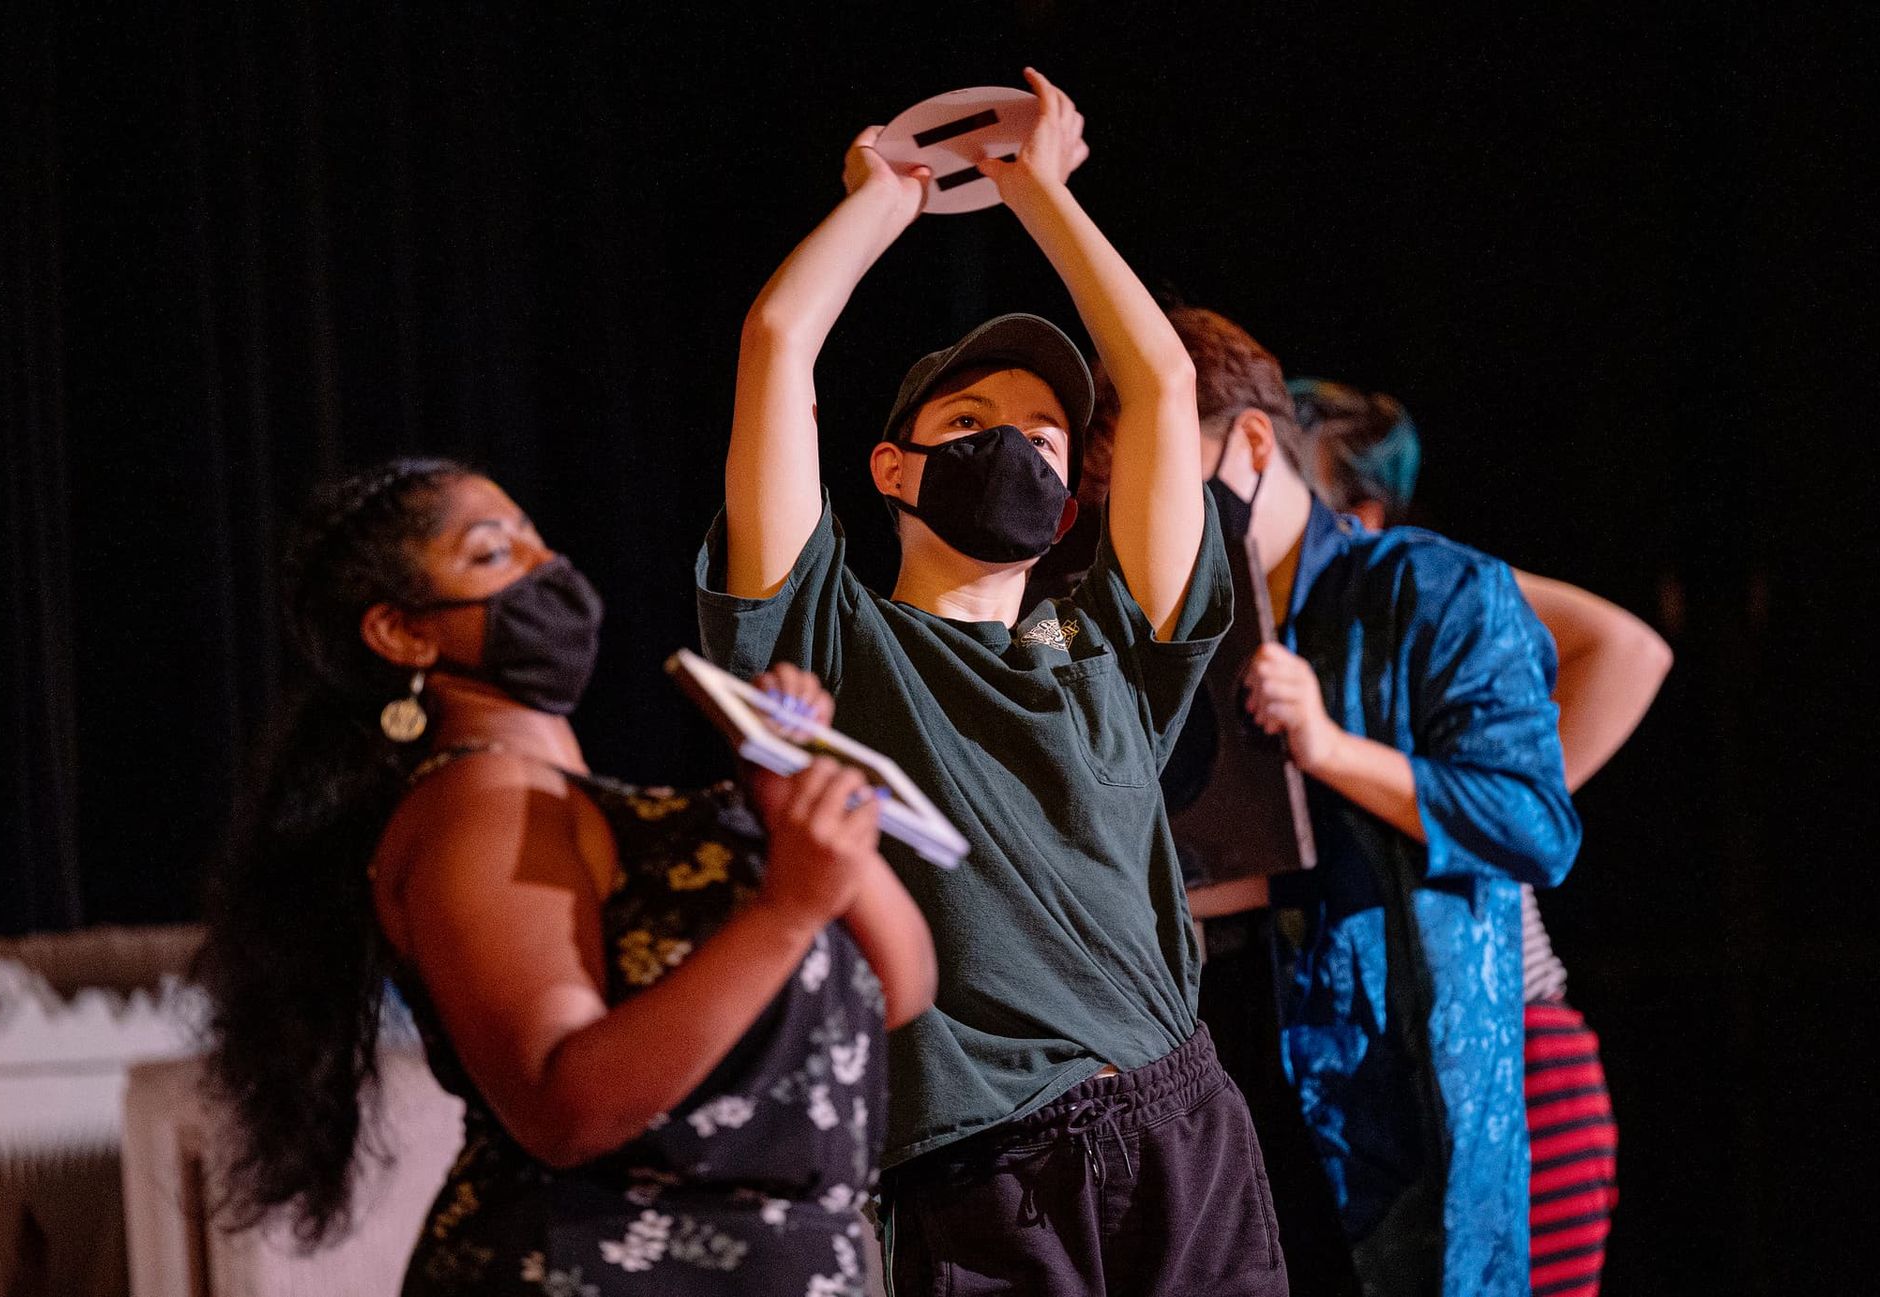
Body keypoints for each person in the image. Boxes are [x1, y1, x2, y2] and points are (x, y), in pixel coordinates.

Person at [698, 73, 1287, 1295]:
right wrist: (887, 197)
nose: (1013, 446)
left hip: (1184, 1124)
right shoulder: (835, 640)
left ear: (1071, 499)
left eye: (1045, 434)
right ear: (893, 470)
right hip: (985, 1174)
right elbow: (779, 342)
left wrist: (1043, 191)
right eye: (972, 422)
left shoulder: (1121, 647)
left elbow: (1165, 387)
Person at [196, 458, 936, 1297]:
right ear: (403, 632)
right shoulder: (479, 803)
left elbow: (899, 985)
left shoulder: (610, 809)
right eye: (490, 553)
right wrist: (788, 908)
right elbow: (562, 1103)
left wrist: (793, 795)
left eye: (534, 538)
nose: (542, 565)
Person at [1086, 307, 1582, 1297]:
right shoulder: (1138, 630)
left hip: (1408, 1116)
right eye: (1111, 492)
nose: (1141, 513)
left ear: (1256, 443)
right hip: (1232, 1111)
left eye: (1158, 475)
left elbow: (1535, 825)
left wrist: (1332, 747)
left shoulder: (1433, 588)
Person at [1288, 377, 1673, 1297]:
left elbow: (1628, 649)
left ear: (1363, 518)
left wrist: (1473, 803)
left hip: (1513, 1064)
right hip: (1383, 1093)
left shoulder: (1418, 589)